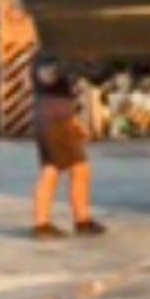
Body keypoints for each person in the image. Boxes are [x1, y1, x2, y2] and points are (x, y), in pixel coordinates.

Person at [31, 54, 106, 238]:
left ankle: (78, 221)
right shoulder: (46, 56)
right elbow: (46, 76)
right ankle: (45, 224)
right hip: (53, 122)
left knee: (75, 170)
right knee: (56, 170)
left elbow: (94, 77)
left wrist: (75, 122)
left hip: (59, 121)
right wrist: (65, 65)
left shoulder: (64, 57)